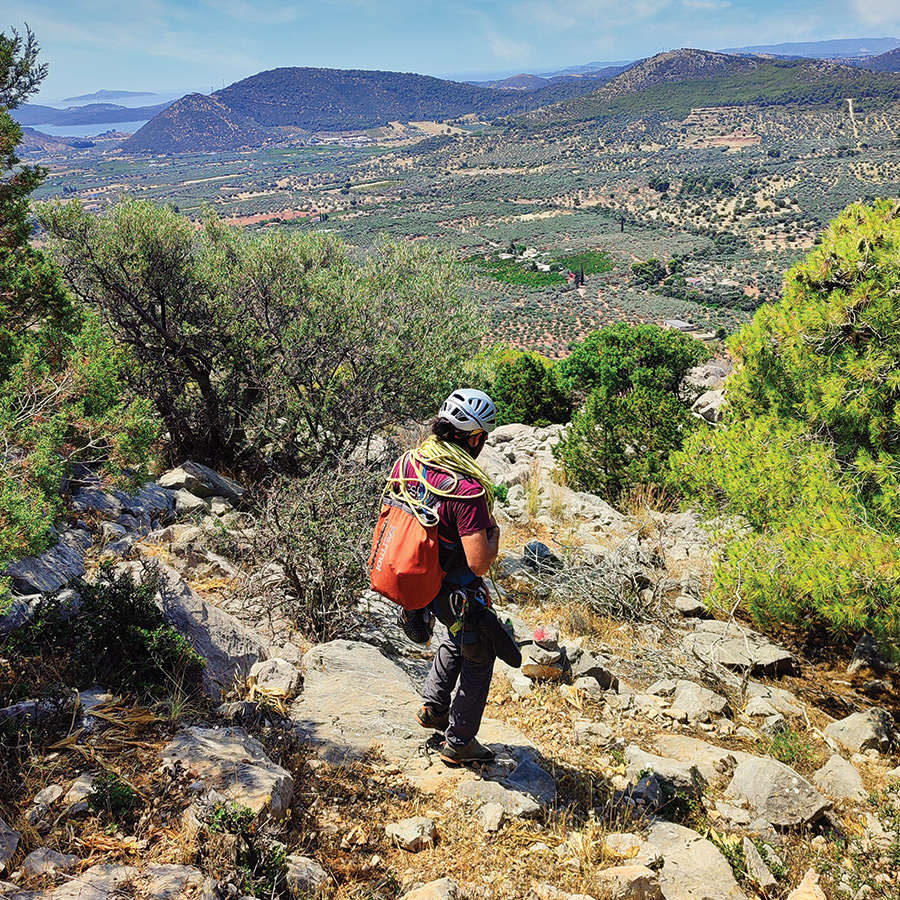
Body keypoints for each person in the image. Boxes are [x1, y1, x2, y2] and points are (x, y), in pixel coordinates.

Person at [385, 388, 521, 766]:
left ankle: (434, 709)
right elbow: (478, 563)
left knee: (454, 637)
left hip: (418, 576)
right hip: (453, 586)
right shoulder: (466, 489)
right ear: (474, 438)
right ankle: (460, 740)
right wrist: (493, 538)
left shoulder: (410, 462)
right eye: (484, 438)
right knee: (480, 653)